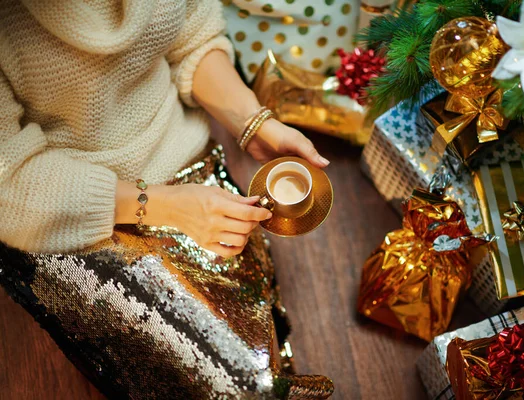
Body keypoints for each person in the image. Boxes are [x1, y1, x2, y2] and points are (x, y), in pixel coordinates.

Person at [0, 0, 334, 398]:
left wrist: (252, 121)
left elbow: (191, 35)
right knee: (237, 384)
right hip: (70, 213)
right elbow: (13, 182)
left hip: (186, 164)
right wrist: (168, 206)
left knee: (251, 351)